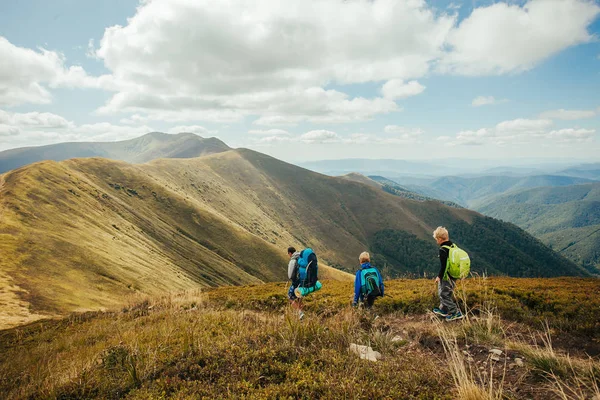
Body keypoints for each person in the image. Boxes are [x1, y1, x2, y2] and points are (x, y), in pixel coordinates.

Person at [432, 226, 464, 321]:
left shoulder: (443, 250)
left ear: (440, 239)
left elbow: (444, 266)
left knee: (443, 294)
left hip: (446, 276)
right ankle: (443, 310)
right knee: (446, 293)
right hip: (454, 275)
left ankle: (455, 312)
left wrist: (439, 276)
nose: (436, 241)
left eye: (436, 239)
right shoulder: (453, 246)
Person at [287, 246, 305, 320]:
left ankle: (300, 313)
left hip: (296, 282)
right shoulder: (301, 257)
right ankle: (300, 316)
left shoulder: (293, 260)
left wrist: (292, 279)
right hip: (304, 281)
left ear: (290, 253)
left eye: (288, 254)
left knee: (290, 297)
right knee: (299, 297)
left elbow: (290, 274)